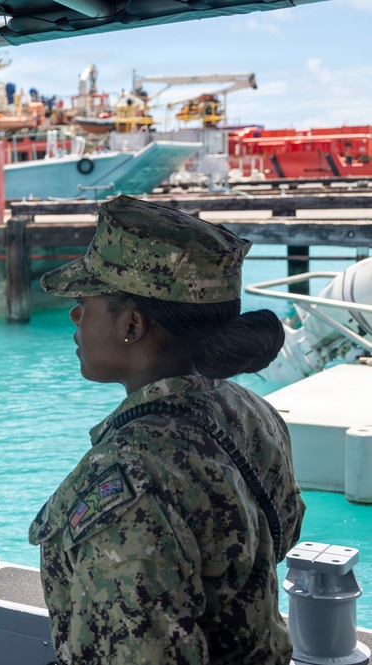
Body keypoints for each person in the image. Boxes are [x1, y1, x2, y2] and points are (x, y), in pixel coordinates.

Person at [28, 195, 305, 663]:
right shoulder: (251, 411)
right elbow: (280, 537)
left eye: (84, 301)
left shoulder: (127, 475)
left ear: (132, 324)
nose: (75, 316)